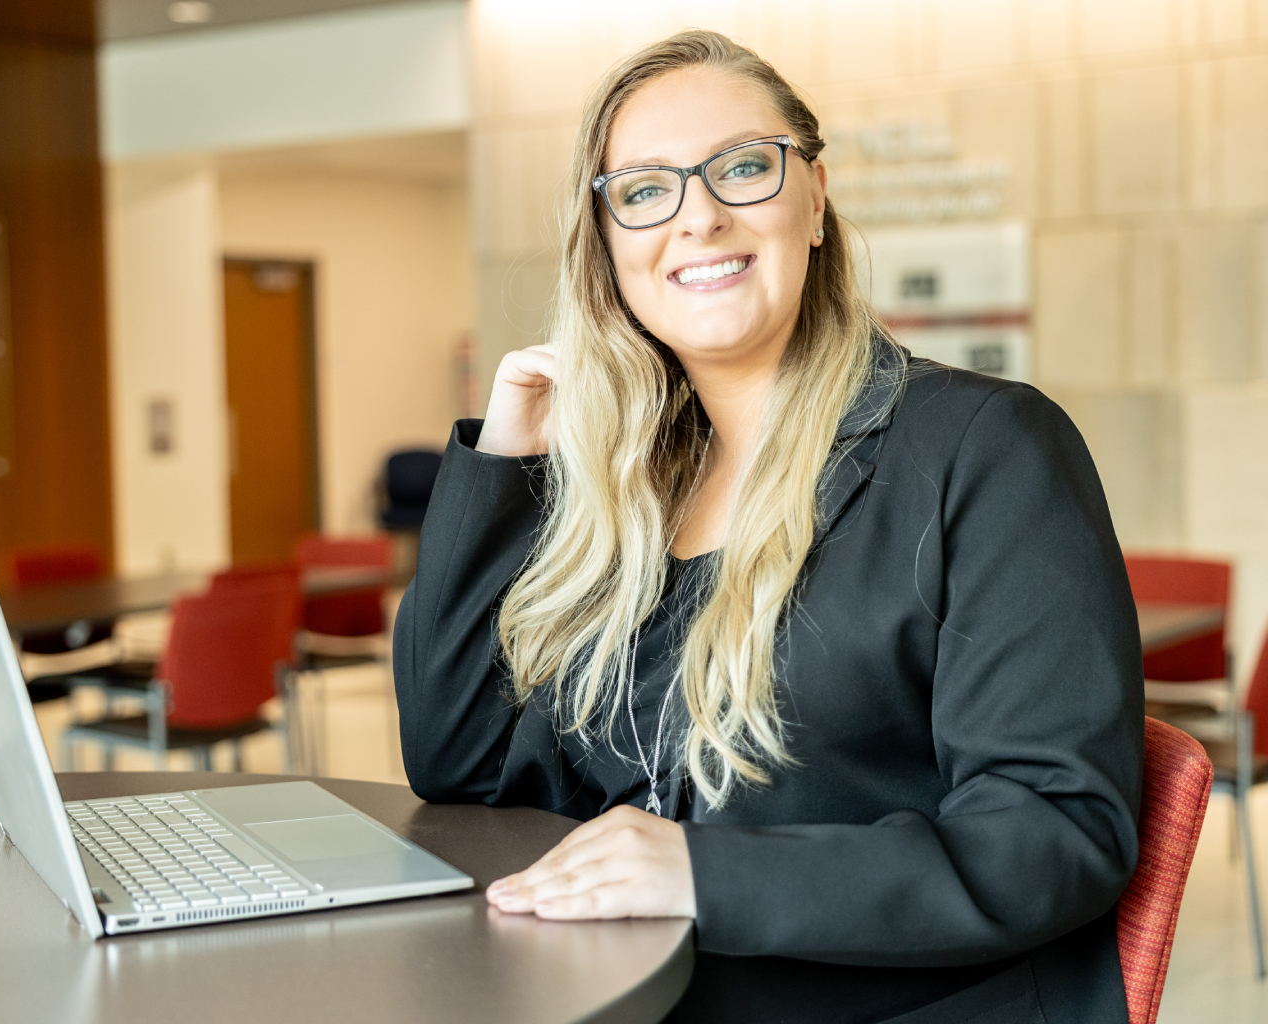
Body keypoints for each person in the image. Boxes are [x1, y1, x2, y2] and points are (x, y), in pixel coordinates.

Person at [393, 29, 1142, 1024]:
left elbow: (1055, 833)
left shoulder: (984, 447)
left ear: (815, 200)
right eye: (646, 189)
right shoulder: (629, 482)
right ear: (609, 242)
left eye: (744, 168)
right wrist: (506, 458)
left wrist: (703, 875)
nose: (698, 216)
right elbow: (459, 764)